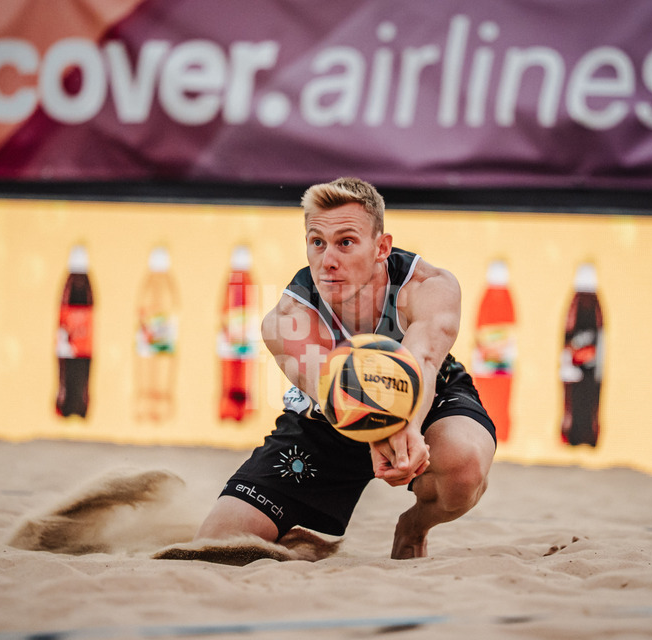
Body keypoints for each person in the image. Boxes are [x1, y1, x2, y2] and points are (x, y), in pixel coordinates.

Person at [195, 177, 497, 559]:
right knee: (217, 544)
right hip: (330, 416)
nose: (328, 260)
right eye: (317, 242)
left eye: (346, 242)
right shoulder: (286, 319)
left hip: (425, 397)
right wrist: (377, 438)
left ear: (381, 247)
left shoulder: (427, 285)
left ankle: (414, 525)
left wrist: (407, 429)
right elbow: (332, 390)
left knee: (464, 465)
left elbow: (421, 361)